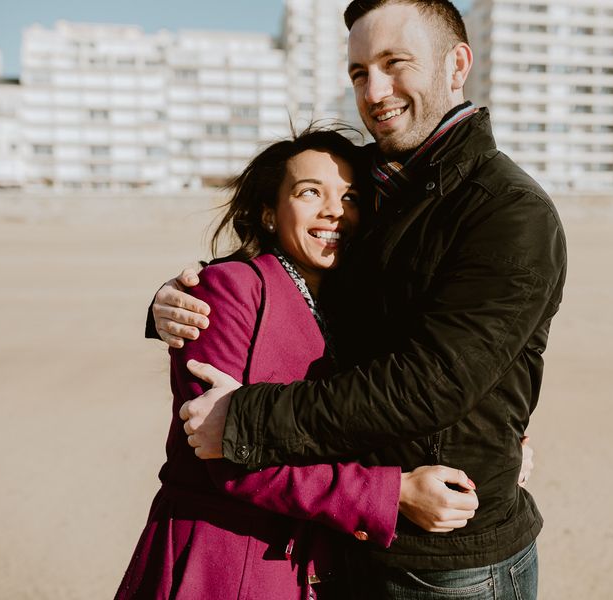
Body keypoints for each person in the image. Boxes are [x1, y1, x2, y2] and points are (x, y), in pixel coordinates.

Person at [150, 1, 567, 598]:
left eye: (396, 63)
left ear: (457, 64)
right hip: (353, 539)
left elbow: (431, 383)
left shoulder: (507, 211)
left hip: (449, 562)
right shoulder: (376, 183)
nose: (376, 91)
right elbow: (282, 246)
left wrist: (244, 419)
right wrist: (176, 298)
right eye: (359, 72)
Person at [118, 129, 481, 600]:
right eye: (310, 192)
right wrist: (392, 494)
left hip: (320, 564)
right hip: (225, 561)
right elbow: (228, 455)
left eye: (349, 196)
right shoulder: (224, 291)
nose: (334, 210)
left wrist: (500, 445)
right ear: (269, 212)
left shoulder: (359, 305)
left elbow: (401, 394)